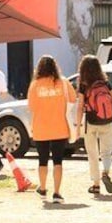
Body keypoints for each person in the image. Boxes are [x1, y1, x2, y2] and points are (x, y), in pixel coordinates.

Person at [27, 55, 76, 204]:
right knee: (58, 161)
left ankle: (42, 189)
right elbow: (73, 99)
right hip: (59, 127)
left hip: (41, 128)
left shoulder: (35, 85)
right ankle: (56, 192)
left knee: (42, 161)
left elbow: (31, 107)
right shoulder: (63, 82)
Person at [74, 55, 112, 195]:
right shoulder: (105, 83)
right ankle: (105, 172)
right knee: (106, 152)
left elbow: (80, 106)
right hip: (106, 121)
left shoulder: (83, 85)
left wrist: (78, 126)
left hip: (91, 121)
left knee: (92, 154)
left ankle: (96, 184)